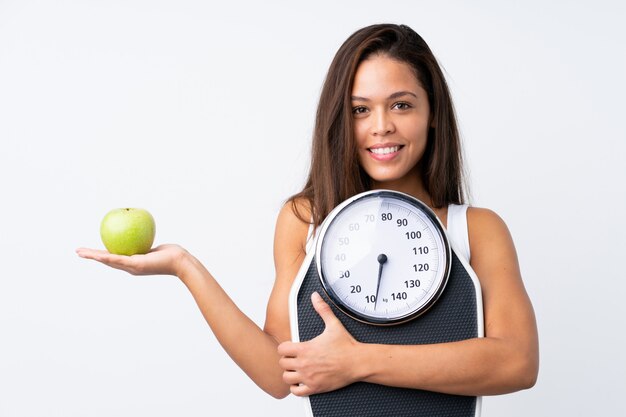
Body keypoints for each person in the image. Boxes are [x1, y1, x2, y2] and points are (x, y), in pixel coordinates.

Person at [76, 23, 538, 400]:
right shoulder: (305, 220)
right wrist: (184, 266)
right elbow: (280, 374)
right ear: (340, 118)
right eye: (360, 110)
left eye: (401, 105)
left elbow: (517, 363)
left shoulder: (475, 229)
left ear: (432, 112)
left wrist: (358, 360)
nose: (381, 127)